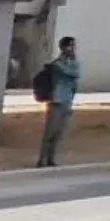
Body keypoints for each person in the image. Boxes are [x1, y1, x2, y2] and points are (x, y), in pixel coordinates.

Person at [38, 36, 82, 168]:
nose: (72, 49)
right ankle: (42, 159)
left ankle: (51, 158)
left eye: (73, 46)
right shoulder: (57, 64)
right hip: (56, 100)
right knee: (50, 132)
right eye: (70, 46)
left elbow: (75, 76)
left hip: (66, 101)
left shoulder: (72, 63)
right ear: (63, 47)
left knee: (59, 132)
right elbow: (72, 74)